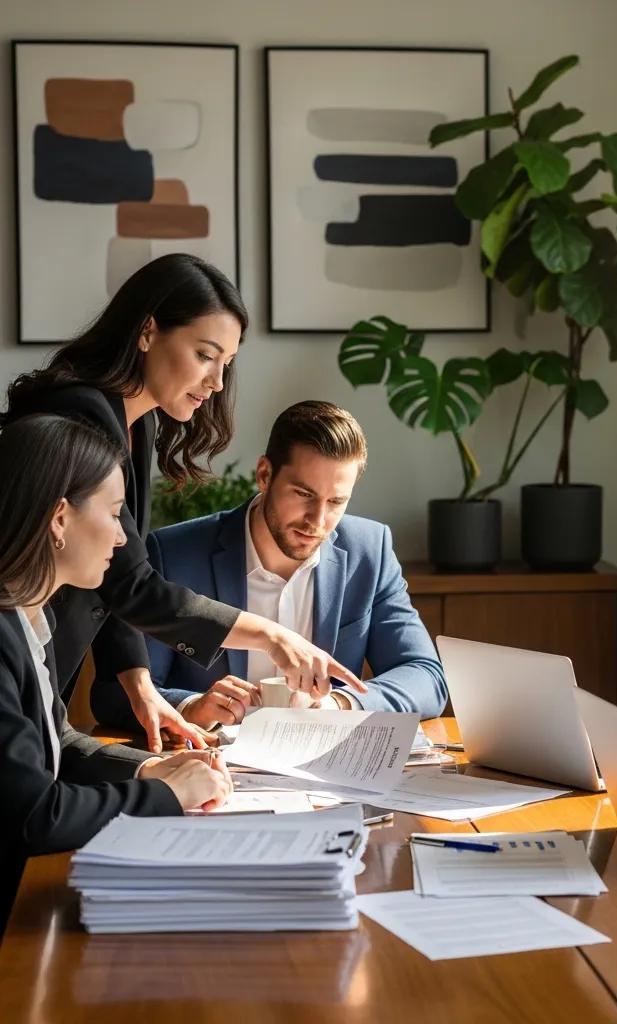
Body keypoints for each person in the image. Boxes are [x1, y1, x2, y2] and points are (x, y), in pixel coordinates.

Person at [2, 255, 366, 753]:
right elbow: (134, 585)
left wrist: (138, 681)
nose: (217, 382)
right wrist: (274, 637)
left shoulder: (136, 422)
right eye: (204, 355)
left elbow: (117, 574)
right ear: (148, 330)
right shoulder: (79, 415)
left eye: (226, 364)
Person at [0, 414, 233, 933]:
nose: (124, 540)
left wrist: (148, 770)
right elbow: (35, 816)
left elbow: (55, 741)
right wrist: (169, 797)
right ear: (60, 518)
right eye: (112, 513)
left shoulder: (30, 618)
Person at [91, 401, 447, 728]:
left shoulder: (370, 550)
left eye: (336, 501)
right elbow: (112, 696)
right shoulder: (175, 552)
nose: (318, 521)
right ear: (264, 474)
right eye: (304, 494)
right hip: (213, 774)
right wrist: (192, 707)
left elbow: (425, 676)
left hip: (325, 778)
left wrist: (341, 703)